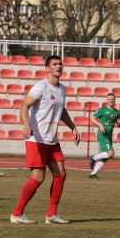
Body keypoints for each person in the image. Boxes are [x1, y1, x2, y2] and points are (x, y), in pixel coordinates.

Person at [11, 55, 80, 224]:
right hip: (36, 139)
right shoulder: (40, 87)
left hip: (52, 140)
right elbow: (24, 105)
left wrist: (73, 127)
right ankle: (17, 214)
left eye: (60, 64)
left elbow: (62, 110)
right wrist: (26, 125)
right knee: (38, 177)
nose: (59, 66)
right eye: (54, 64)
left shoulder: (62, 88)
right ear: (47, 69)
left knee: (61, 174)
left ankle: (51, 215)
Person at [88, 92, 120, 179]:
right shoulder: (102, 110)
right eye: (110, 99)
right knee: (111, 153)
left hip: (109, 136)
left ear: (115, 101)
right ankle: (94, 157)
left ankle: (93, 174)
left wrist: (119, 123)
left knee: (106, 157)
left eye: (113, 99)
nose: (111, 101)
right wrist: (100, 125)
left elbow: (119, 123)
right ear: (107, 100)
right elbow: (92, 119)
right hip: (102, 135)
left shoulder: (116, 112)